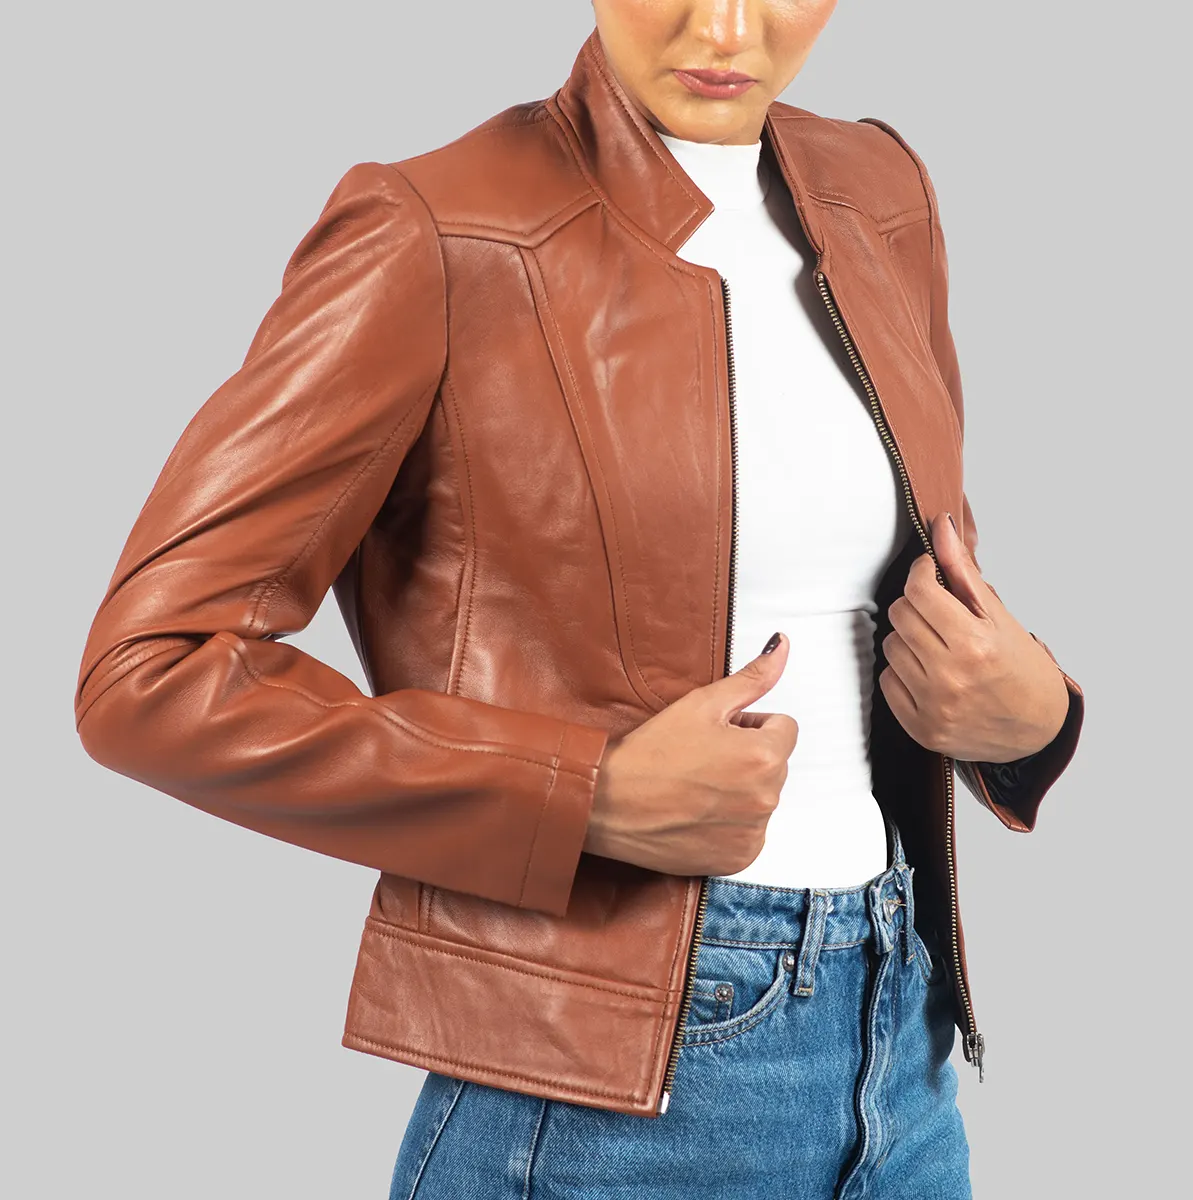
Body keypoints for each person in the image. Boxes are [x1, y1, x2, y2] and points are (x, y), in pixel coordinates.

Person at [74, 3, 1084, 1197]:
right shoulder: (438, 230)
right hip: (601, 1091)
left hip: (901, 1055)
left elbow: (891, 586)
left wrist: (1030, 717)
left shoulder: (881, 193)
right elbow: (150, 670)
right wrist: (581, 795)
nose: (726, 26)